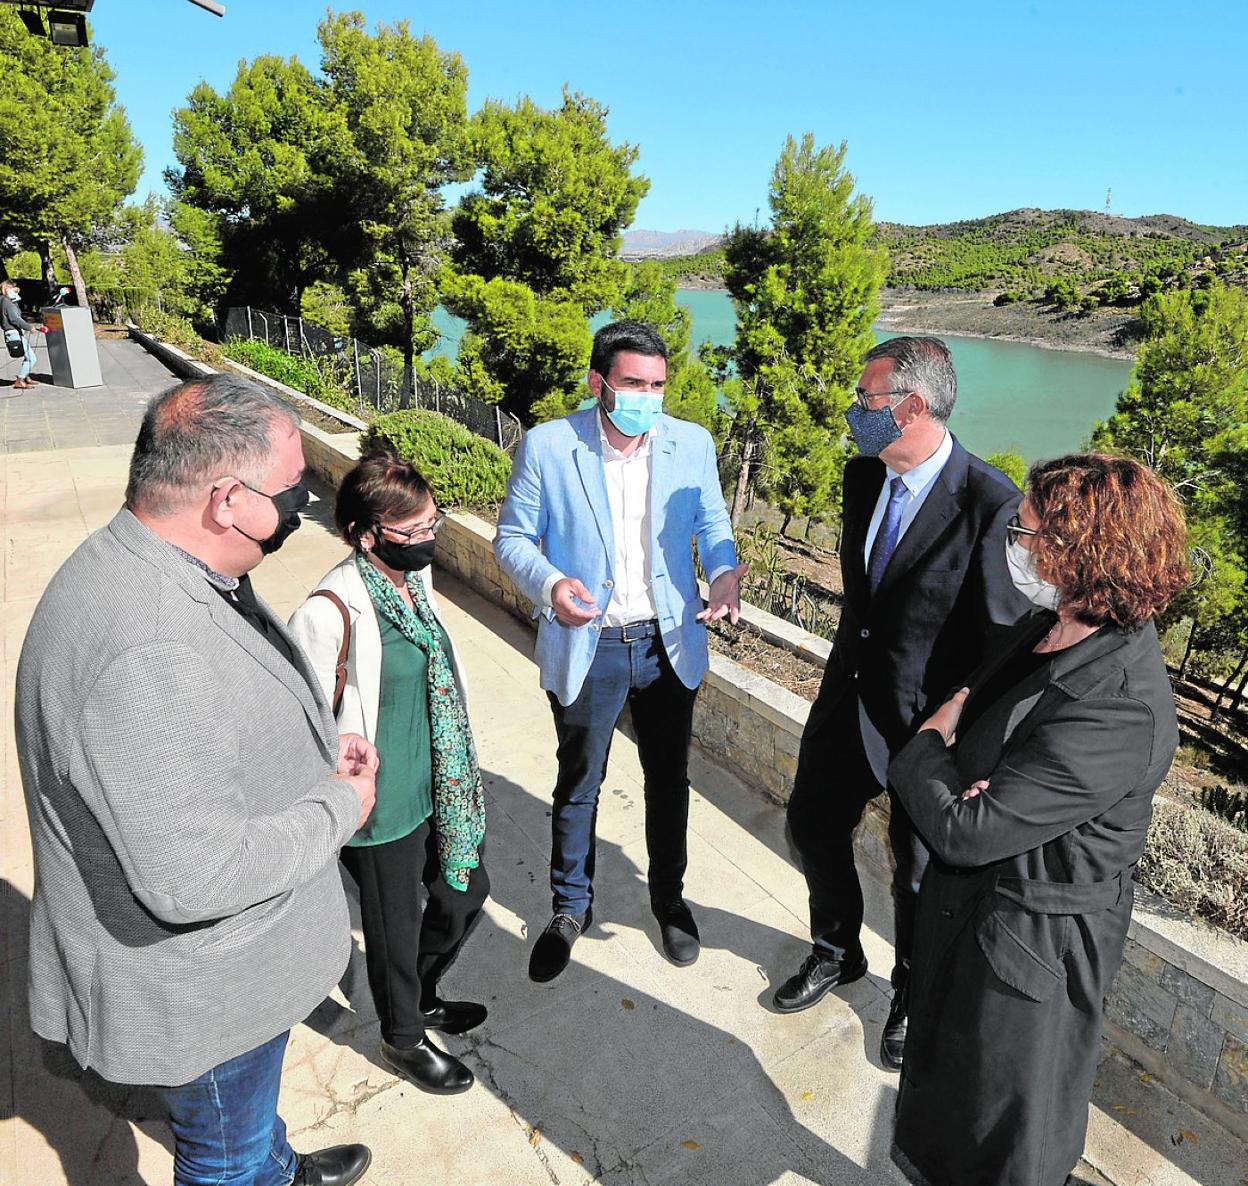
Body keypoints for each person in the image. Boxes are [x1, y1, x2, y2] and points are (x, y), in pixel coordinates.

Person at [16, 373, 377, 1186]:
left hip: (232, 970)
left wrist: (307, 751)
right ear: (227, 498)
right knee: (221, 1156)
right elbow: (195, 877)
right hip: (207, 988)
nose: (305, 508)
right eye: (292, 491)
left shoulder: (158, 561)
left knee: (246, 1127)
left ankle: (277, 1166)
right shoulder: (145, 649)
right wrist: (339, 804)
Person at [887, 454, 1189, 1186]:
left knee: (1002, 1136)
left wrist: (924, 749)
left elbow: (966, 826)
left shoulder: (1120, 704)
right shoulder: (1046, 627)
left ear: (1083, 554)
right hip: (973, 922)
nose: (1013, 546)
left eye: (1025, 534)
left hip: (1030, 959)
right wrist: (967, 783)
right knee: (945, 1115)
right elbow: (977, 771)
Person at [772, 336, 1031, 1072]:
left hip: (924, 733)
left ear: (912, 406)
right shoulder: (863, 477)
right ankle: (836, 951)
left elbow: (1001, 644)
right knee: (811, 825)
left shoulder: (991, 504)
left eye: (866, 399)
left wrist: (966, 743)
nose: (855, 411)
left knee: (918, 877)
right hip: (847, 702)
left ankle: (913, 996)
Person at [495, 319, 745, 983]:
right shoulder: (549, 446)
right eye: (634, 383)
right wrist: (552, 583)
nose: (648, 397)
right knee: (580, 781)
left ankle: (668, 900)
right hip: (590, 643)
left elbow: (713, 523)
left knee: (670, 781)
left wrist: (723, 571)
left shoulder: (691, 443)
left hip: (669, 643)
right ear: (597, 382)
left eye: (659, 384)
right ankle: (569, 907)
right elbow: (514, 539)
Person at [288, 451, 489, 1096]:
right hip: (378, 801)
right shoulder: (329, 610)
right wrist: (340, 752)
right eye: (413, 531)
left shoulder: (413, 582)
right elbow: (301, 718)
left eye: (433, 524)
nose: (428, 539)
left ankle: (420, 995)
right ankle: (403, 1036)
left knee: (465, 893)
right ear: (364, 534)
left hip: (438, 783)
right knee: (392, 926)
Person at [2, 278, 47, 389]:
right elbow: (14, 319)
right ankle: (20, 380)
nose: (16, 291)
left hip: (13, 332)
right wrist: (29, 327)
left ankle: (26, 377)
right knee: (31, 358)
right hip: (13, 332)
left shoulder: (6, 301)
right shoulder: (7, 302)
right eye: (13, 289)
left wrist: (15, 301)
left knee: (28, 356)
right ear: (7, 289)